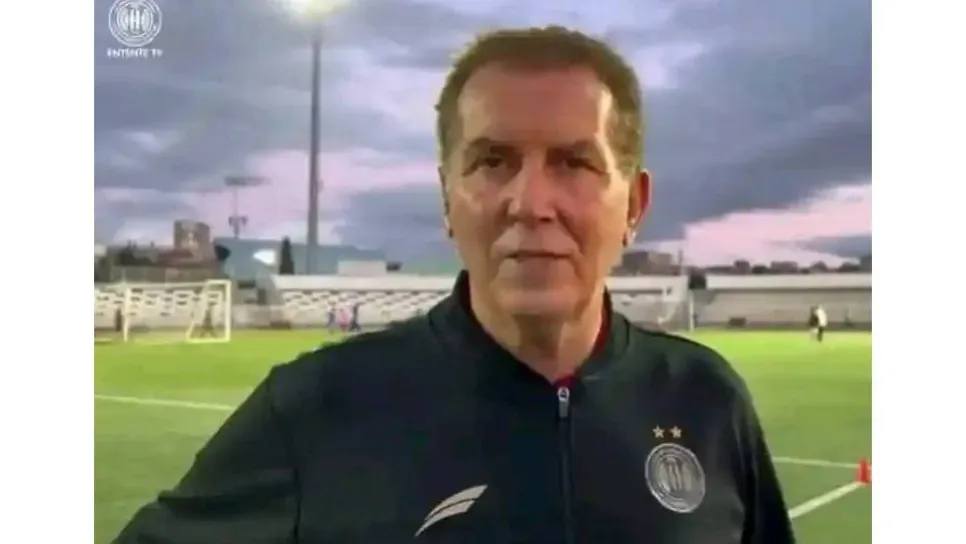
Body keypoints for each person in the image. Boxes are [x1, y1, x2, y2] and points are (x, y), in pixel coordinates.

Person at [115, 26, 794, 544]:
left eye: (573, 163)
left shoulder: (707, 401)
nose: (531, 203)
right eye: (493, 161)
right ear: (448, 199)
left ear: (635, 206)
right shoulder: (316, 410)